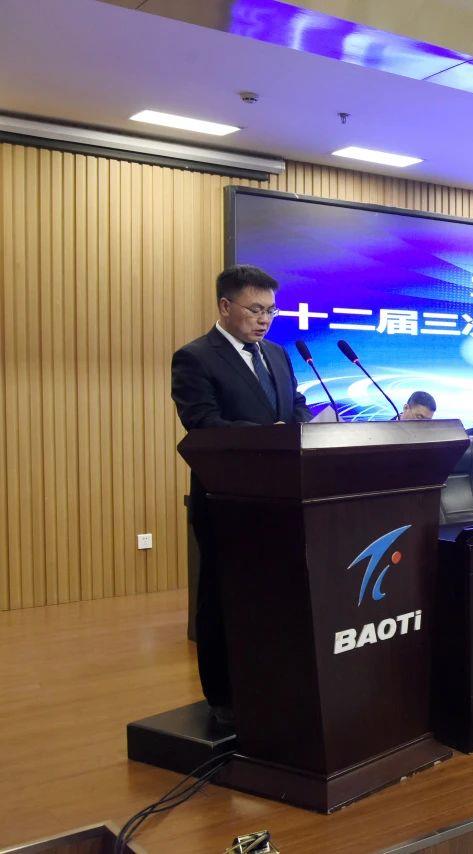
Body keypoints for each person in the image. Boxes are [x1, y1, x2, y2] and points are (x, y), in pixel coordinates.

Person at [171, 264, 312, 726]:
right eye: (255, 310)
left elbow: (295, 406)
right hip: (226, 500)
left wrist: (302, 424)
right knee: (223, 596)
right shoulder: (195, 357)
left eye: (271, 310)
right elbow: (204, 424)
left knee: (276, 597)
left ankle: (272, 685)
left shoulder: (277, 354)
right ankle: (224, 698)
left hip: (283, 499)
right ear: (225, 306)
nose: (265, 319)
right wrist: (271, 435)